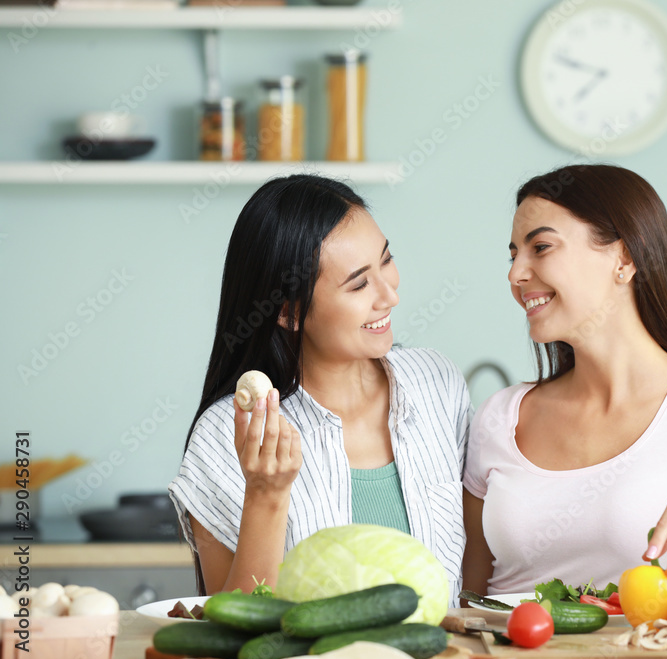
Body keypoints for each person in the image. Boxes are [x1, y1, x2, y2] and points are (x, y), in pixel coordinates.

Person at [462, 165, 667, 596]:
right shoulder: (499, 417)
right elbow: (468, 600)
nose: (515, 273)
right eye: (514, 253)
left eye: (540, 247)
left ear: (625, 258)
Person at [169, 175, 470, 604]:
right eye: (359, 284)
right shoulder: (226, 437)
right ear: (290, 312)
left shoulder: (438, 384)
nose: (389, 295)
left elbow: (473, 583)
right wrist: (266, 495)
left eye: (386, 261)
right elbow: (229, 631)